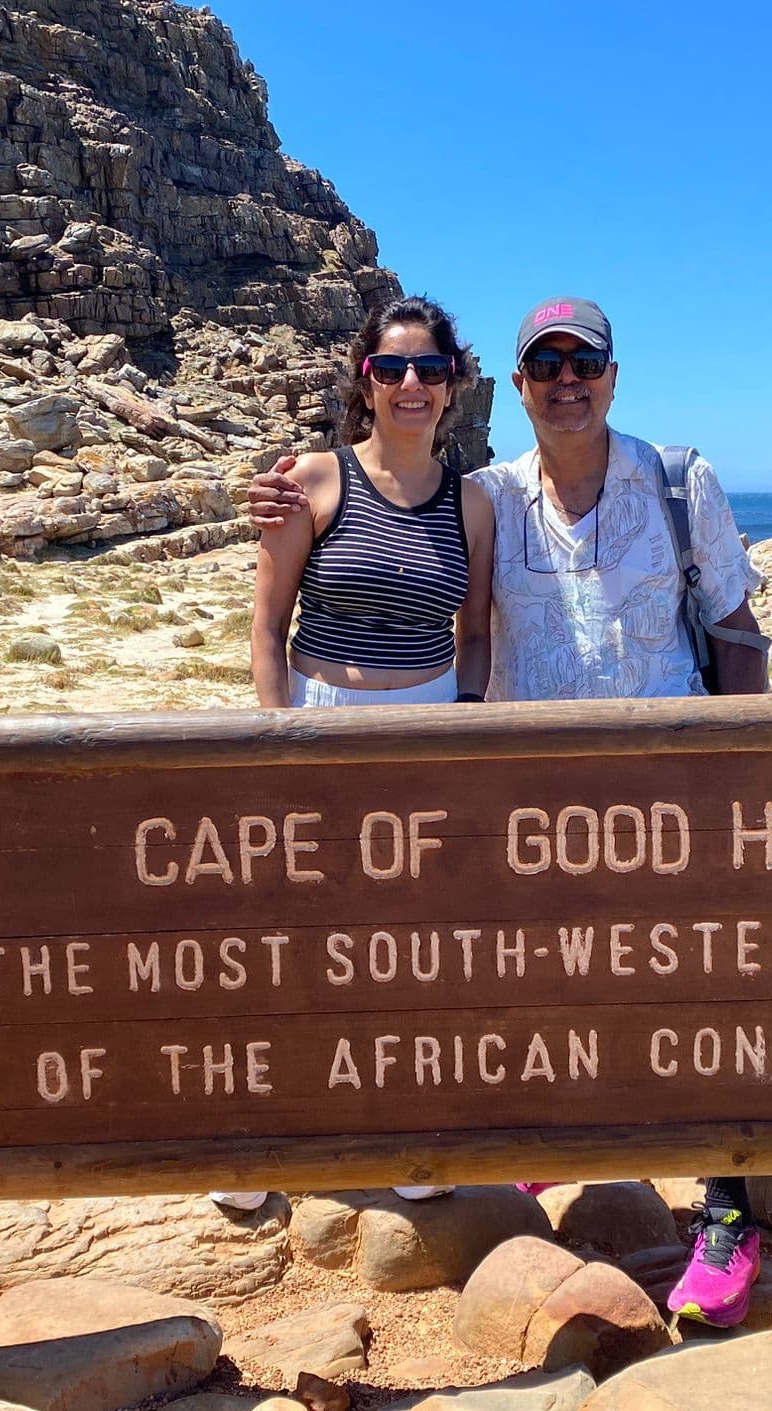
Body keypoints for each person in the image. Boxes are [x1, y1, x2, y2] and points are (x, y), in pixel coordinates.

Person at [249, 295, 770, 1325]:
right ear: (519, 386)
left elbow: (735, 626)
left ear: (613, 377)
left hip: (669, 784)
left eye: (586, 362)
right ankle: (554, 1140)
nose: (567, 380)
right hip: (536, 796)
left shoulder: (676, 482)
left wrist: (744, 772)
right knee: (549, 972)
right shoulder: (483, 496)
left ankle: (725, 1205)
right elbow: (396, 543)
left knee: (692, 988)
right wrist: (275, 502)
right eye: (547, 365)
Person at [212, 293, 495, 1215]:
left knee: (411, 942)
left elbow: (476, 630)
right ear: (364, 382)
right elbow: (265, 622)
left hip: (427, 723)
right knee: (296, 935)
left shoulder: (473, 502)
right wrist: (276, 733)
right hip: (320, 713)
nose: (411, 384)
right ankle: (259, 1142)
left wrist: (468, 720)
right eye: (391, 368)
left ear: (452, 386)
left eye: (429, 368)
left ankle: (406, 1130)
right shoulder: (313, 478)